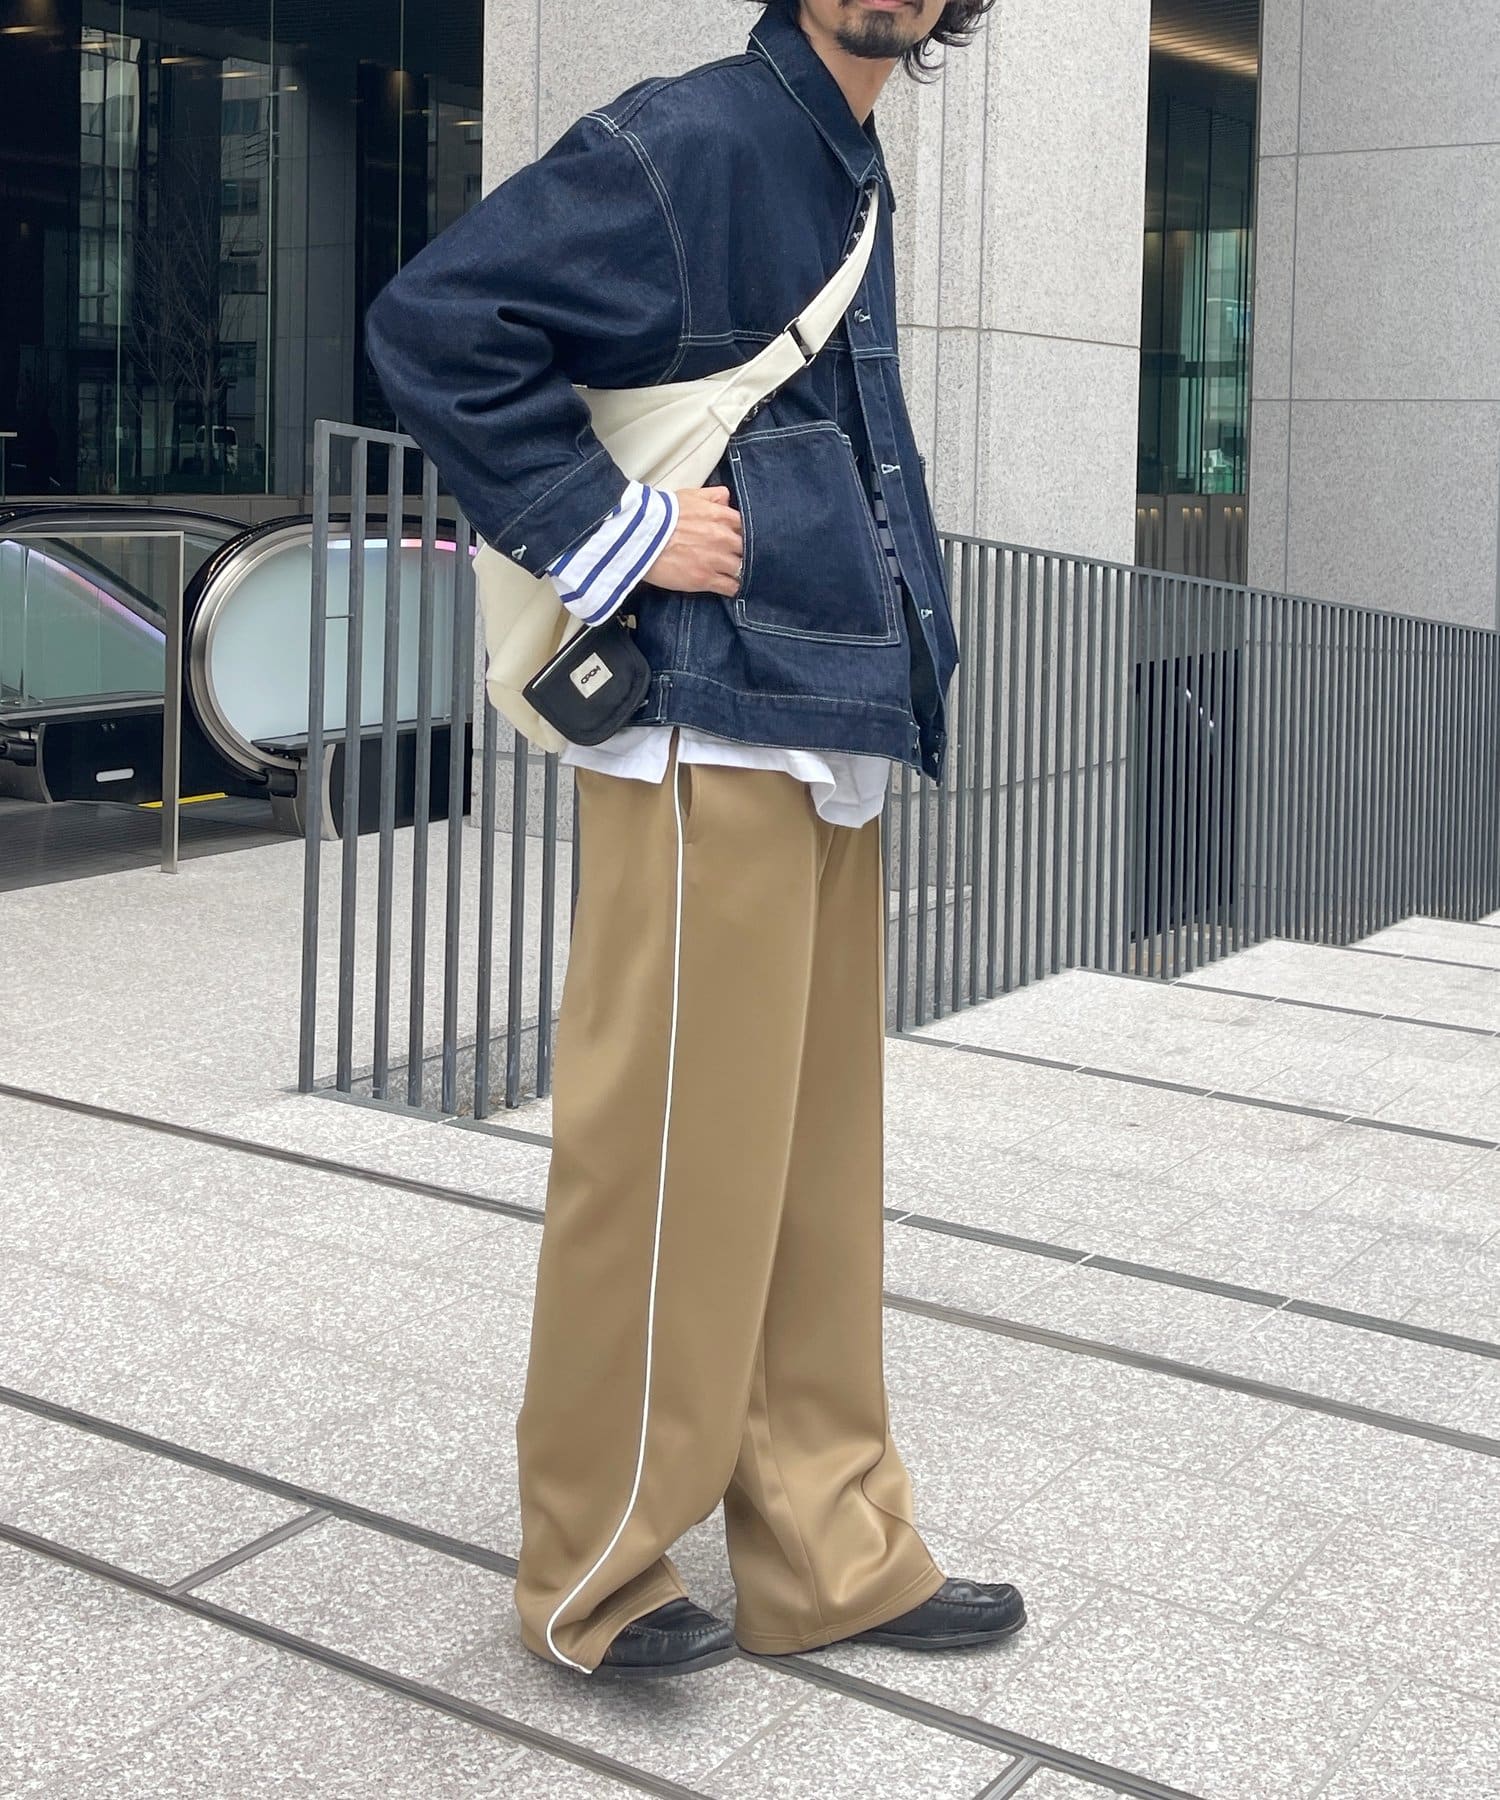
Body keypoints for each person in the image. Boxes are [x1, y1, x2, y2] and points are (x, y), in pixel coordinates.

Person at [363, 0, 1026, 1680]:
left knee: (807, 1182)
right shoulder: (703, 135)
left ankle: (826, 1550)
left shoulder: (837, 151)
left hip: (825, 712)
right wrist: (618, 531)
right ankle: (595, 1562)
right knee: (660, 1160)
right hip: (705, 726)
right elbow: (439, 323)